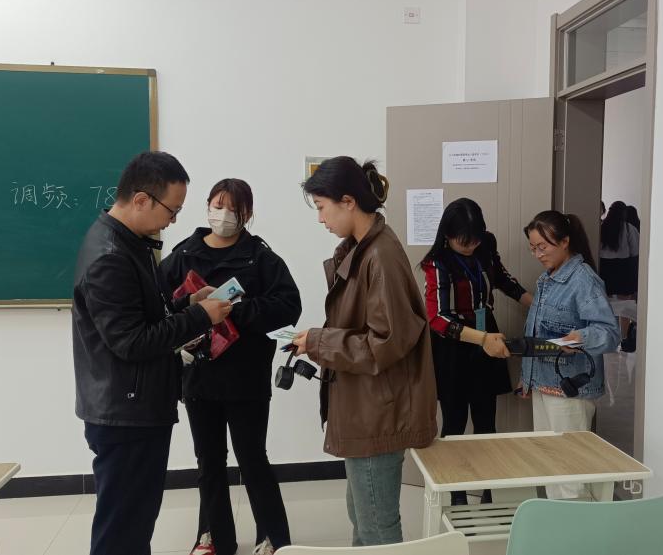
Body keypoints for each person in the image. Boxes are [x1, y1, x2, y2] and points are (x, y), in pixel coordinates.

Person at [72, 151, 233, 555]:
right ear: (142, 199)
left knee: (133, 522)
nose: (173, 220)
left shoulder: (129, 243)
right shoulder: (110, 257)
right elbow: (131, 342)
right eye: (172, 210)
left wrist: (186, 304)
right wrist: (200, 317)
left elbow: (142, 316)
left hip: (133, 406)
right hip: (126, 413)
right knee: (123, 530)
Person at [290, 156, 437, 547]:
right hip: (368, 407)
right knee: (363, 516)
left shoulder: (380, 255)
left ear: (348, 201)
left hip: (378, 413)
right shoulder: (363, 251)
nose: (320, 218)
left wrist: (319, 342)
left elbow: (385, 342)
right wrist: (318, 340)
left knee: (376, 526)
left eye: (322, 207)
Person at [161, 179, 301, 555]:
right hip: (198, 376)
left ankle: (273, 537)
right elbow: (158, 306)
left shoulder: (261, 257)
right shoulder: (183, 254)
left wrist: (236, 308)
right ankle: (212, 536)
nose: (223, 214)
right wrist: (191, 307)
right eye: (217, 205)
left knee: (252, 458)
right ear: (207, 206)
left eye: (233, 208)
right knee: (208, 460)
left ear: (247, 214)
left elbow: (289, 306)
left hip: (246, 378)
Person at [420, 198, 531, 505]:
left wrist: (538, 304)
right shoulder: (437, 263)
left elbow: (505, 281)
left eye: (475, 240)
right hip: (454, 345)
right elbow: (437, 318)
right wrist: (481, 339)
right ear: (447, 235)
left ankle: (487, 492)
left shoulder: (485, 247)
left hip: (486, 340)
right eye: (463, 242)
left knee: (486, 424)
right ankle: (457, 496)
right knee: (454, 426)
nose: (470, 246)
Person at [521, 210, 620, 499]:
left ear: (565, 242)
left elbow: (609, 332)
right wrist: (527, 379)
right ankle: (558, 523)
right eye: (533, 248)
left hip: (571, 390)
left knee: (571, 471)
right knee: (549, 465)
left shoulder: (583, 280)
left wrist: (581, 337)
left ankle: (576, 525)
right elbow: (535, 332)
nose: (538, 254)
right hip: (543, 384)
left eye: (543, 247)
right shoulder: (546, 280)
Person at [599, 201, 640, 297]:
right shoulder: (629, 228)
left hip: (604, 265)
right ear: (624, 213)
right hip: (622, 266)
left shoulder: (602, 227)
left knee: (606, 295)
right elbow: (635, 251)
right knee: (623, 297)